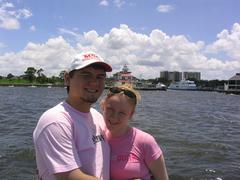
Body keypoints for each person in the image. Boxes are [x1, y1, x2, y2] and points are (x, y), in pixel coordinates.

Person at [33, 51, 112, 180]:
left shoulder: (97, 117)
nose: (94, 83)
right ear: (67, 79)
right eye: (86, 75)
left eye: (100, 77)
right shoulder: (56, 121)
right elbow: (70, 177)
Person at [101, 85, 169, 180]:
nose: (114, 116)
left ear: (131, 114)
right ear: (102, 106)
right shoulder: (98, 137)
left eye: (122, 113)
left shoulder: (145, 141)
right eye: (110, 109)